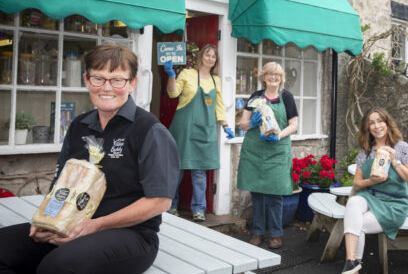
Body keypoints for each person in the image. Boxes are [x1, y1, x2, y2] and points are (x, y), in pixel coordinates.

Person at [0, 43, 180, 273]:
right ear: (86, 80)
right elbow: (60, 185)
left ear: (132, 83)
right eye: (98, 78)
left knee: (57, 266)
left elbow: (159, 201)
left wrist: (96, 225)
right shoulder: (79, 125)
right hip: (70, 225)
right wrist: (46, 220)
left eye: (117, 79)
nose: (107, 88)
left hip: (131, 235)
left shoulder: (150, 130)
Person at [341, 107, 408, 274]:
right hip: (370, 197)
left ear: (387, 123)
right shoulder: (365, 151)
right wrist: (372, 180)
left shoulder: (401, 147)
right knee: (354, 202)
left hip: (394, 203)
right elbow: (357, 184)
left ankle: (353, 267)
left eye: (380, 121)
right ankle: (350, 262)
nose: (376, 126)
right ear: (367, 128)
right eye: (371, 123)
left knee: (357, 224)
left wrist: (395, 161)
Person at [164, 43, 234, 221]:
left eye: (214, 56)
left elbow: (218, 105)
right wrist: (171, 77)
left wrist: (226, 126)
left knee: (199, 172)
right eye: (208, 55)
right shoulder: (187, 74)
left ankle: (199, 210)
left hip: (205, 130)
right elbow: (173, 94)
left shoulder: (215, 80)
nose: (210, 58)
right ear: (201, 56)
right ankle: (170, 205)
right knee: (177, 169)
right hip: (184, 129)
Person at [237, 61, 298, 249]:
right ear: (263, 77)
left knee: (274, 195)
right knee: (256, 194)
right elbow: (242, 123)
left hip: (277, 150)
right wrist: (252, 124)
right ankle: (257, 232)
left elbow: (294, 124)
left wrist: (279, 135)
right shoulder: (255, 97)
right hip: (255, 150)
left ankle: (276, 234)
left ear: (281, 78)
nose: (274, 78)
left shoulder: (286, 96)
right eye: (270, 74)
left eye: (277, 75)